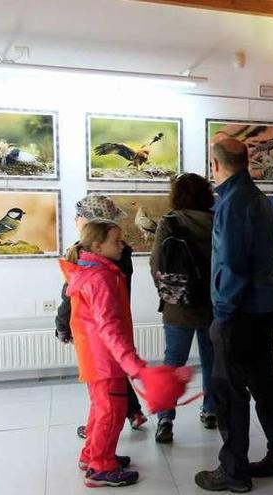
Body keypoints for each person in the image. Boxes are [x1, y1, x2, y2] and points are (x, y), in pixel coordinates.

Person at [194, 136, 273, 493]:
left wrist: (221, 315)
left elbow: (233, 265)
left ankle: (234, 471)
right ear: (247, 160)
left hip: (241, 312)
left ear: (215, 165)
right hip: (266, 305)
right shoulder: (256, 197)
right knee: (265, 383)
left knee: (229, 390)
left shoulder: (232, 203)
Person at [59, 220, 148, 488]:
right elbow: (108, 326)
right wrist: (130, 362)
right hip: (105, 359)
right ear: (97, 245)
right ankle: (101, 467)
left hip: (95, 355)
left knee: (101, 408)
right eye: (116, 241)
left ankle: (92, 455)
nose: (122, 245)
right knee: (112, 410)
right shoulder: (100, 278)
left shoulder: (92, 271)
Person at [150, 173, 217, 443]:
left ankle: (165, 419)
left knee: (172, 362)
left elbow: (156, 265)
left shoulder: (169, 222)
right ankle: (211, 411)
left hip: (178, 304)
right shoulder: (216, 221)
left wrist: (169, 293)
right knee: (212, 361)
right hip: (212, 303)